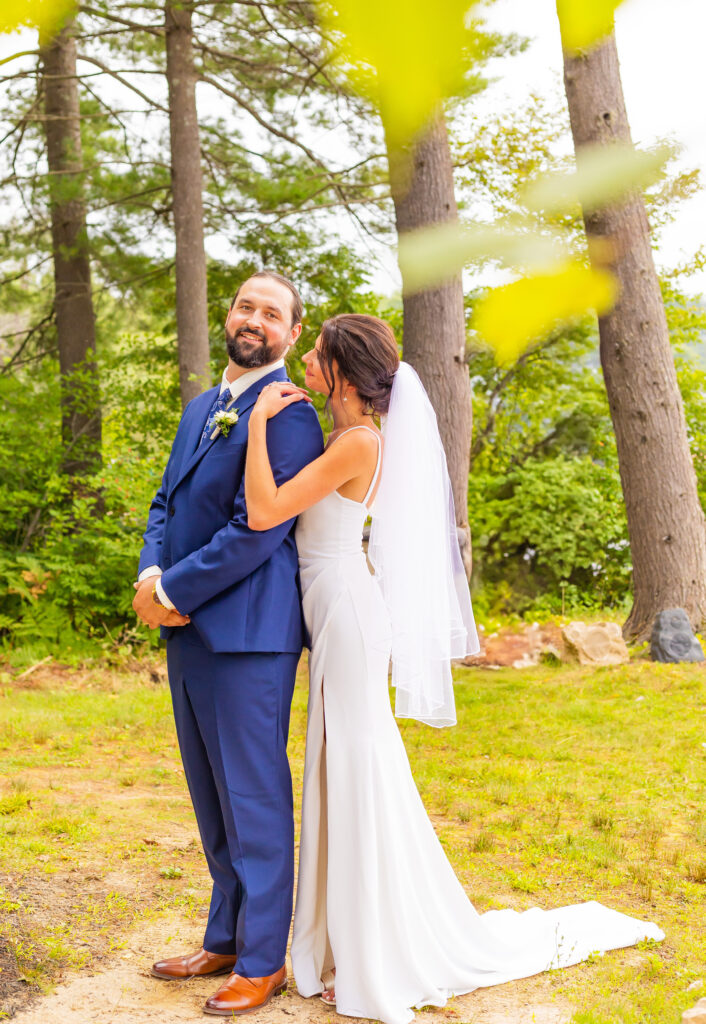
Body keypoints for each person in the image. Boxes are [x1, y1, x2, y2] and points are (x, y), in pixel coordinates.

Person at [244, 313, 664, 1024]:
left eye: (315, 357)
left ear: (342, 375)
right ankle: (348, 938)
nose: (306, 365)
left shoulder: (359, 443)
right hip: (337, 610)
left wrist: (256, 424)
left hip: (346, 615)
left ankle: (377, 947)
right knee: (340, 766)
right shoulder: (343, 435)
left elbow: (265, 511)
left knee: (356, 768)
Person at [132, 271, 324, 1017]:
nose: (254, 320)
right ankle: (223, 934)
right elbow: (164, 501)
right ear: (230, 314)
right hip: (188, 633)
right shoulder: (202, 409)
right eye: (246, 305)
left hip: (248, 636)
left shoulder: (291, 416)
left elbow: (259, 529)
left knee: (254, 796)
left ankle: (262, 959)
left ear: (292, 334)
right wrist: (152, 573)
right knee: (211, 796)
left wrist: (175, 591)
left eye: (271, 313)